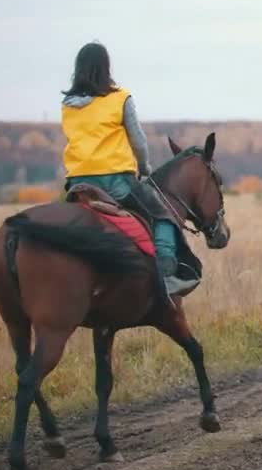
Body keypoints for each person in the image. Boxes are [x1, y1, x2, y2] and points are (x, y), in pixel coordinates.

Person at [59, 41, 198, 296]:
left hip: (77, 182)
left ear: (78, 69)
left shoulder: (68, 105)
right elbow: (138, 141)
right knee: (162, 214)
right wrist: (144, 167)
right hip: (115, 181)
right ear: (106, 67)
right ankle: (166, 275)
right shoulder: (120, 98)